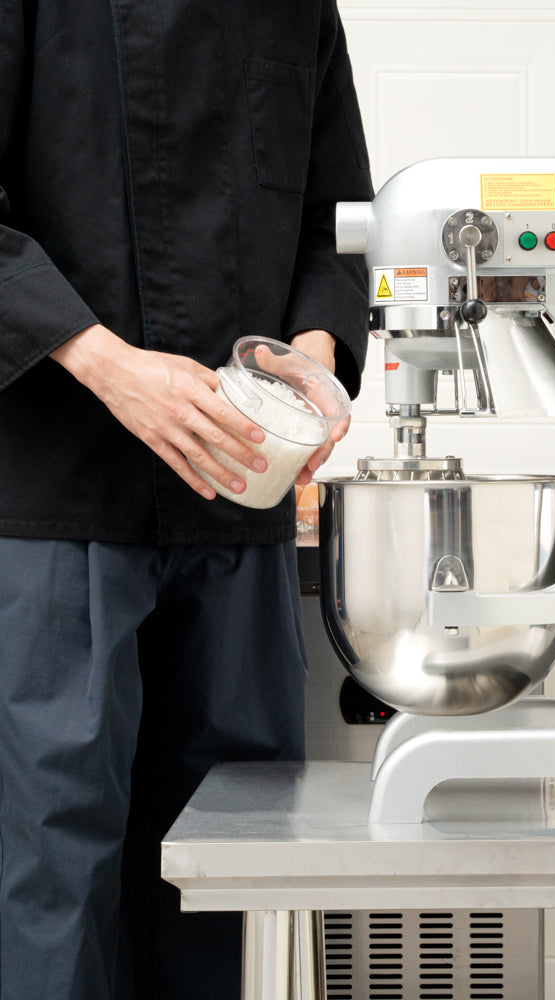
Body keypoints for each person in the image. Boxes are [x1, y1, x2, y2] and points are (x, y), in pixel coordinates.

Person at [0, 1, 372, 998]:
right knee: (48, 878)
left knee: (234, 869)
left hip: (237, 509)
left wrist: (311, 362)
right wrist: (107, 364)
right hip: (58, 502)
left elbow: (340, 222)